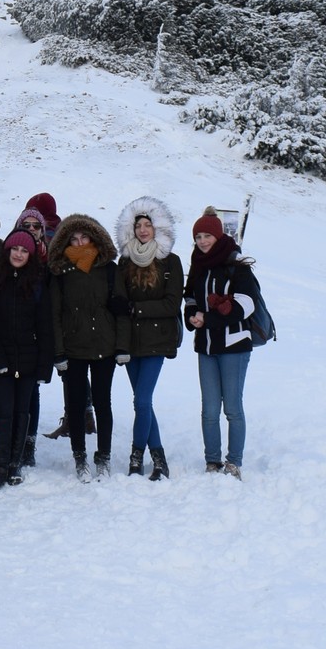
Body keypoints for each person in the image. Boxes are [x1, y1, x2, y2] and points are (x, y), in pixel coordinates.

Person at [46, 214, 127, 480]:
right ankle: (80, 457)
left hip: (104, 345)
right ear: (66, 241)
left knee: (104, 404)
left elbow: (121, 309)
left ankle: (103, 456)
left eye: (84, 237)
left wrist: (122, 345)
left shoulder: (109, 269)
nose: (80, 243)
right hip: (73, 348)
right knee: (76, 404)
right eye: (74, 238)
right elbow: (55, 313)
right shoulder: (60, 273)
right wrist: (58, 352)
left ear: (94, 238)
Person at [182, 211, 258, 479]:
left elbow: (246, 305)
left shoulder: (236, 264)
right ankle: (212, 460)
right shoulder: (198, 264)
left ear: (219, 235)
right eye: (198, 237)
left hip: (235, 346)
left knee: (233, 408)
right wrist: (191, 316)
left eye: (207, 236)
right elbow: (190, 295)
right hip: (206, 347)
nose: (202, 241)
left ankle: (234, 462)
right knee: (210, 409)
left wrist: (209, 318)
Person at [114, 197, 185, 480]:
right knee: (141, 402)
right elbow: (119, 300)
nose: (143, 230)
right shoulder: (125, 260)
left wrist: (136, 308)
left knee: (142, 401)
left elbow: (171, 304)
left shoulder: (171, 261)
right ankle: (159, 459)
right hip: (130, 341)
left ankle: (137, 455)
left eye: (148, 225)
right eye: (138, 225)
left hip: (157, 340)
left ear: (157, 228)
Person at [0, 230, 53, 488]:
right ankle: (0, 466)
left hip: (28, 359)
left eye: (24, 251)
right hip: (0, 359)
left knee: (22, 412)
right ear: (7, 251)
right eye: (15, 250)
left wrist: (44, 365)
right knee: (3, 412)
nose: (19, 254)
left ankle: (14, 463)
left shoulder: (37, 282)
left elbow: (45, 326)